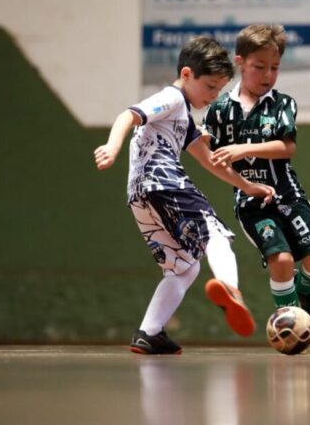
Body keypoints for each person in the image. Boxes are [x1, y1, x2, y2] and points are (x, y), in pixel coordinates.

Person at [93, 36, 275, 355]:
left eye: (219, 90)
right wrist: (112, 145)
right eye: (209, 87)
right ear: (187, 74)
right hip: (164, 182)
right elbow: (128, 115)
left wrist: (248, 186)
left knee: (183, 267)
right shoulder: (173, 98)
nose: (213, 96)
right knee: (215, 234)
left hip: (140, 196)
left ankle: (149, 333)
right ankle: (231, 290)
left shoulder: (184, 120)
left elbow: (207, 160)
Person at [203, 24, 310, 325]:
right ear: (240, 62)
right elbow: (208, 156)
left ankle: (306, 291)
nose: (268, 75)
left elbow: (286, 147)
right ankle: (289, 323)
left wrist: (242, 148)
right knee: (282, 260)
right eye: (259, 67)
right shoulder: (218, 109)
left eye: (275, 68)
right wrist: (241, 181)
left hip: (288, 194)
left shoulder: (283, 104)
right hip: (252, 203)